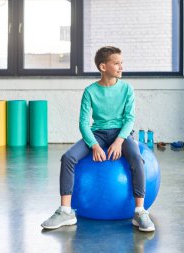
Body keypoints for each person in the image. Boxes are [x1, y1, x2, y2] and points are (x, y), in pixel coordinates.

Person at [41, 46, 155, 232]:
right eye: (116, 63)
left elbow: (129, 119)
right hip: (98, 134)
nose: (121, 67)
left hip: (121, 133)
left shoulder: (127, 89)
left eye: (121, 63)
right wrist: (94, 145)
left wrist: (119, 141)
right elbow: (84, 123)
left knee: (136, 157)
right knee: (68, 157)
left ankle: (139, 212)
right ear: (103, 66)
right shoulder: (90, 91)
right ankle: (65, 212)